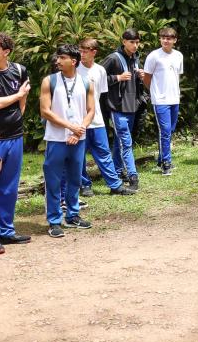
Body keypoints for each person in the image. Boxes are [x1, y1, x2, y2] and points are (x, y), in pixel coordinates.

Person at [0, 31, 32, 253]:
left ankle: (6, 230)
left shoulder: (19, 70)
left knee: (10, 187)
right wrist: (17, 96)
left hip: (15, 136)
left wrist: (18, 109)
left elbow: (23, 102)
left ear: (6, 52)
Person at [40, 45, 95, 238]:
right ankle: (54, 220)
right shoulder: (50, 81)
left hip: (78, 138)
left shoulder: (86, 82)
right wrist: (70, 127)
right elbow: (45, 111)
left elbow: (91, 111)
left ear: (73, 61)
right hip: (56, 138)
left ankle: (73, 215)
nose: (57, 60)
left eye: (62, 57)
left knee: (75, 178)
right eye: (57, 57)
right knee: (53, 180)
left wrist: (79, 130)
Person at [77, 39, 136, 195]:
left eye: (85, 51)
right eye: (80, 51)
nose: (82, 54)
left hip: (96, 120)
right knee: (79, 155)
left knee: (104, 152)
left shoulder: (100, 71)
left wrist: (105, 116)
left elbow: (102, 96)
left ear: (94, 52)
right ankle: (84, 184)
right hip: (77, 121)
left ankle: (115, 185)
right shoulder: (74, 69)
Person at [101, 28, 147, 190]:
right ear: (124, 41)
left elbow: (138, 83)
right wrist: (117, 78)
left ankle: (118, 170)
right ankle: (133, 177)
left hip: (132, 106)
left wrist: (141, 76)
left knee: (120, 142)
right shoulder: (113, 58)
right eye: (131, 42)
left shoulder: (135, 58)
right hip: (117, 107)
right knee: (126, 143)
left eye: (137, 42)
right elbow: (96, 77)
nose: (135, 46)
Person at [142, 27, 183, 176]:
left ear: (174, 40)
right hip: (160, 100)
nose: (166, 40)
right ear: (160, 39)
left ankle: (160, 159)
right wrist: (154, 92)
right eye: (163, 38)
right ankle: (166, 163)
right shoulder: (154, 56)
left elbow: (177, 76)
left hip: (174, 98)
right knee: (165, 131)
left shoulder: (178, 55)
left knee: (170, 130)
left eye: (169, 38)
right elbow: (147, 78)